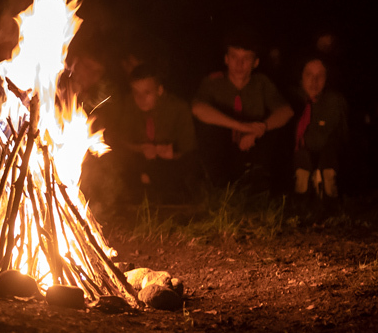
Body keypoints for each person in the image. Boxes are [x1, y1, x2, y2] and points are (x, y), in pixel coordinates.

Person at [192, 32, 294, 190]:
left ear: (256, 63)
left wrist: (259, 129)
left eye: (246, 58)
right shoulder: (214, 82)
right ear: (226, 59)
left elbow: (286, 111)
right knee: (207, 129)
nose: (239, 64)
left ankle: (261, 184)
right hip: (222, 150)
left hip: (250, 147)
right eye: (234, 57)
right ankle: (215, 184)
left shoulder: (261, 83)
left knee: (275, 131)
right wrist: (242, 126)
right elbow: (198, 108)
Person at [99, 64, 198, 204]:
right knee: (115, 158)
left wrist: (173, 153)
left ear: (159, 90)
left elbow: (189, 148)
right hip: (140, 161)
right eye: (136, 93)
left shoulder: (178, 108)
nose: (141, 99)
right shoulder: (129, 104)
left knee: (184, 168)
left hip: (169, 164)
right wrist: (141, 148)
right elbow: (121, 139)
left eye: (147, 93)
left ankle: (157, 189)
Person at [292, 55, 349, 198]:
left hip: (327, 160)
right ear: (301, 77)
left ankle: (328, 188)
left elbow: (342, 136)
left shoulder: (334, 102)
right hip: (298, 161)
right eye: (309, 75)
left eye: (320, 76)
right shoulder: (291, 99)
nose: (314, 81)